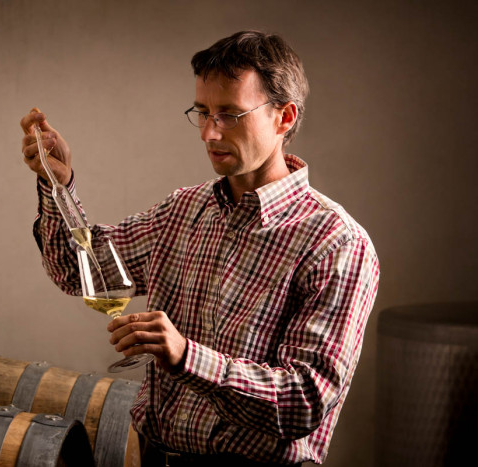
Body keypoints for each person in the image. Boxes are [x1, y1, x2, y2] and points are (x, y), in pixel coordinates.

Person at [20, 31, 379, 466]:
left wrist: (186, 356)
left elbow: (302, 401)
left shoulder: (336, 242)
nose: (209, 132)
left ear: (284, 117)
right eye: (203, 112)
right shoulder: (183, 210)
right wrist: (57, 184)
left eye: (229, 114)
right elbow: (77, 271)